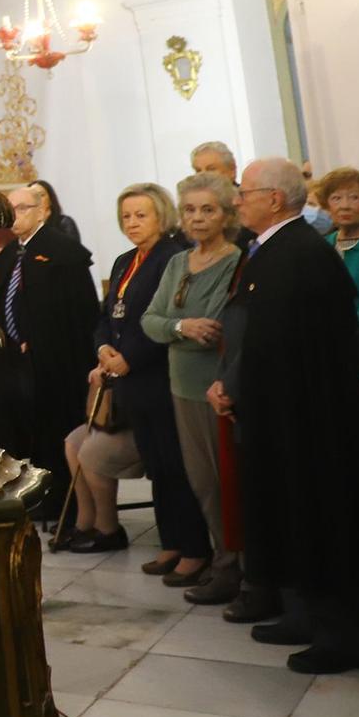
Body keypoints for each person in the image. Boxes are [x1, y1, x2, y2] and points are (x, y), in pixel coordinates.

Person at [216, 157, 359, 674]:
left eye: (244, 192)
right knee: (290, 516)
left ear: (274, 199)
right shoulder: (274, 250)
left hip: (309, 418)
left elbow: (305, 346)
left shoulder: (300, 253)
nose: (237, 201)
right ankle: (304, 612)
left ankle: (343, 635)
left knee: (318, 518)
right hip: (277, 411)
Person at [61, 185, 211, 581]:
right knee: (157, 468)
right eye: (126, 216)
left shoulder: (172, 257)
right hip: (130, 383)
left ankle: (195, 549)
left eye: (141, 215)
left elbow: (167, 317)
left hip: (160, 377)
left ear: (161, 216)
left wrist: (131, 357)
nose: (132, 223)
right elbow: (108, 316)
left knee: (175, 466)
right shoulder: (126, 260)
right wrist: (104, 349)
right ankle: (171, 543)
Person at [140, 172, 245, 605]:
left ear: (226, 215)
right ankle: (222, 560)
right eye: (190, 210)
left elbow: (215, 324)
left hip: (215, 388)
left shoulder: (236, 262)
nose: (197, 218)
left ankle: (236, 567)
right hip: (180, 386)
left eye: (207, 210)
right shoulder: (178, 263)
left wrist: (174, 327)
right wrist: (180, 325)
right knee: (201, 481)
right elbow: (151, 321)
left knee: (227, 483)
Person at [0, 184, 98, 522]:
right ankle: (22, 494)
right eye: (11, 209)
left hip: (52, 364)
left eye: (22, 208)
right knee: (13, 429)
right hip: (13, 365)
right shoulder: (10, 254)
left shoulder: (63, 251)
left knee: (53, 430)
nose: (15, 215)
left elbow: (80, 314)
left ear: (42, 210)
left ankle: (61, 500)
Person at [314, 166, 359, 315]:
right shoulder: (323, 245)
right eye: (336, 198)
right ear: (326, 205)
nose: (345, 206)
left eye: (354, 197)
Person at [32, 178, 81, 246]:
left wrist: (43, 225)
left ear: (50, 200)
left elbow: (73, 252)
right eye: (33, 196)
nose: (37, 199)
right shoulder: (26, 227)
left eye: (41, 195)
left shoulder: (64, 222)